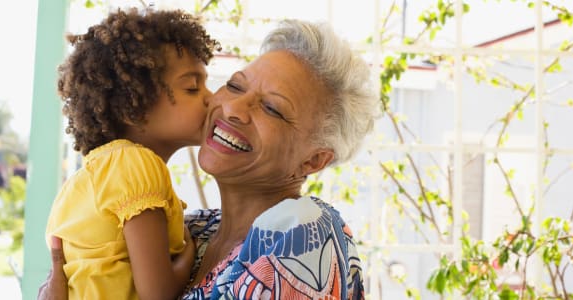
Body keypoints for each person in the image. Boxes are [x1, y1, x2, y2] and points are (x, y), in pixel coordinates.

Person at [39, 18, 379, 299]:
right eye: (234, 86)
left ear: (314, 160)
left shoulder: (303, 231)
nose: (232, 109)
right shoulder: (193, 228)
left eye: (272, 108)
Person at [44, 7, 219, 300]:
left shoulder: (94, 173)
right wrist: (193, 255)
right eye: (192, 87)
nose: (211, 98)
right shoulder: (137, 165)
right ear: (132, 106)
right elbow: (158, 293)